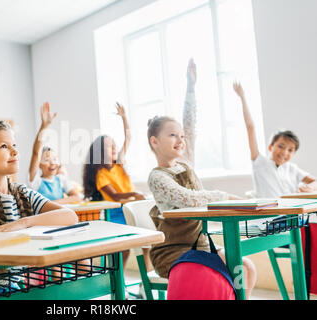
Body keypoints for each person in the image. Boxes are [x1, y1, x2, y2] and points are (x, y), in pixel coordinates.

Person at [147, 59, 256, 298]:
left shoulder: (186, 163)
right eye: (172, 135)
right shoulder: (157, 177)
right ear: (155, 142)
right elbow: (186, 198)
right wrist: (223, 195)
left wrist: (190, 87)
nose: (180, 139)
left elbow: (190, 123)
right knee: (207, 273)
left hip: (201, 246)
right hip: (173, 252)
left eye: (182, 136)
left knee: (245, 268)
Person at [0, 47, 77, 236]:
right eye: (4, 146)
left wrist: (25, 222)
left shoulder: (21, 193)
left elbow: (69, 217)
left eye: (14, 145)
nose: (14, 151)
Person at [82, 102, 148, 270]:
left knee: (143, 246)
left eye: (114, 145)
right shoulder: (101, 173)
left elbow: (129, 138)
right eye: (108, 146)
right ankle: (118, 280)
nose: (113, 148)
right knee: (122, 250)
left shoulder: (119, 164)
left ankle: (141, 283)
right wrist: (135, 193)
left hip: (131, 207)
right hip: (116, 211)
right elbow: (115, 196)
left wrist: (124, 118)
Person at [233, 82, 317, 197]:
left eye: (290, 150)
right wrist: (242, 97)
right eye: (281, 146)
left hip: (292, 214)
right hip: (270, 214)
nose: (284, 152)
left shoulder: (292, 169)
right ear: (270, 147)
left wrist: (309, 187)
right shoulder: (260, 162)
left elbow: (315, 181)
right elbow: (250, 128)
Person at [28, 102, 82, 204]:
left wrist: (52, 204)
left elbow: (77, 197)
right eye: (47, 160)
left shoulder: (61, 180)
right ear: (39, 164)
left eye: (55, 159)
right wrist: (44, 127)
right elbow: (36, 153)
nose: (52, 163)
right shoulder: (35, 182)